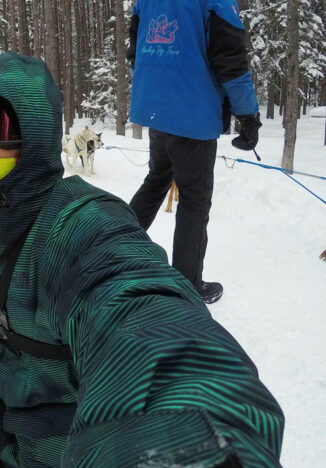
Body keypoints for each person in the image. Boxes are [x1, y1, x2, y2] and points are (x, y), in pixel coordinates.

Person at [0, 52, 290, 468]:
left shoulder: (80, 224)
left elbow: (147, 319)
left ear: (36, 133)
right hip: (16, 423)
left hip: (79, 450)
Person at [126, 0, 262, 304]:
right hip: (191, 113)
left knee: (157, 178)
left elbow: (135, 51)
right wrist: (249, 116)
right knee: (194, 199)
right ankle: (188, 285)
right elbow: (231, 61)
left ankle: (115, 250)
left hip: (156, 108)